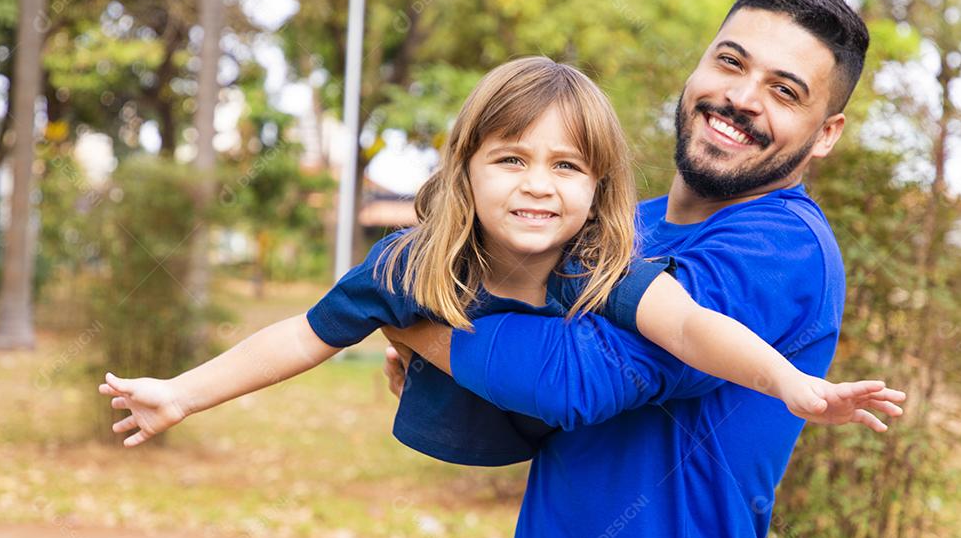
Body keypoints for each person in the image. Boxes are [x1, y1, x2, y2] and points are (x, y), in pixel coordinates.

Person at [98, 55, 899, 461]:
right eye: (511, 160)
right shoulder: (407, 266)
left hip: (539, 427)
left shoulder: (598, 263)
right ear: (466, 169)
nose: (538, 187)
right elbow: (304, 334)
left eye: (567, 167)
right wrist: (182, 393)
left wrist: (791, 381)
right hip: (454, 430)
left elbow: (690, 329)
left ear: (599, 187)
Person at [381, 0, 881, 538]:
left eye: (784, 91)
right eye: (730, 62)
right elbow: (535, 416)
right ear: (698, 68)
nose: (740, 98)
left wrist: (416, 325)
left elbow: (574, 380)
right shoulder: (616, 229)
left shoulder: (782, 249)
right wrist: (451, 376)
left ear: (826, 133)